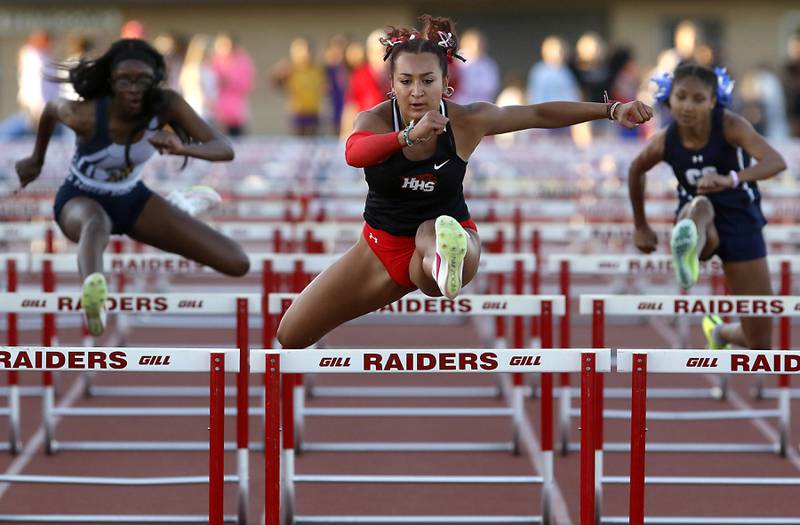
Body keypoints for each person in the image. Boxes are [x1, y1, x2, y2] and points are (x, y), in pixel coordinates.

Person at [277, 15, 652, 349]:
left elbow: (537, 113)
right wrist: (408, 136)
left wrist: (611, 110)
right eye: (406, 81)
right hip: (378, 248)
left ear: (446, 83)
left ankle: (444, 257)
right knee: (290, 335)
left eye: (428, 80)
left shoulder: (465, 121)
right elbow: (354, 153)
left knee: (434, 232)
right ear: (392, 84)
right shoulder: (373, 121)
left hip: (447, 240)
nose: (417, 91)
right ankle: (438, 256)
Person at [14, 39, 250, 336]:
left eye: (143, 81)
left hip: (133, 200)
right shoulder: (86, 114)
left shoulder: (166, 105)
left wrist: (181, 147)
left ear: (155, 82)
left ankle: (177, 206)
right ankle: (95, 296)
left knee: (237, 262)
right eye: (124, 80)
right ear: (111, 82)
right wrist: (36, 160)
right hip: (80, 197)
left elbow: (224, 148)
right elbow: (50, 109)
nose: (133, 88)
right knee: (96, 223)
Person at [628, 63, 786, 352]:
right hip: (700, 223)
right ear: (669, 99)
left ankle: (720, 331)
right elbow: (636, 169)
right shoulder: (666, 140)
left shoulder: (730, 125)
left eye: (698, 99)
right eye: (681, 97)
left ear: (713, 102)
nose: (687, 106)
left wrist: (731, 178)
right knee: (700, 204)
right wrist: (640, 226)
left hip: (741, 222)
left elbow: (776, 161)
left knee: (760, 342)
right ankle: (687, 245)